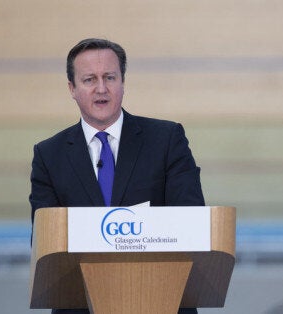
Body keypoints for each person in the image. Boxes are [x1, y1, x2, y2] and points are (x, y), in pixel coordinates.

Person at [29, 38, 204, 314]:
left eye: (110, 77)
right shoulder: (49, 156)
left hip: (160, 301)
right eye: (89, 79)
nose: (101, 88)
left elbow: (192, 222)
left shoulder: (166, 139)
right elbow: (47, 244)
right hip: (81, 305)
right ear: (72, 89)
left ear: (123, 82)